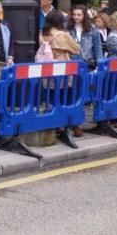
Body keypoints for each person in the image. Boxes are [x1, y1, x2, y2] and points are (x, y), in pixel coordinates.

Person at [38, 11, 82, 139]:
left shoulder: (43, 33)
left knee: (51, 98)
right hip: (62, 71)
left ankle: (55, 125)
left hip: (47, 71)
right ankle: (72, 125)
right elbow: (76, 49)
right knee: (67, 98)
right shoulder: (62, 35)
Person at [67, 4, 102, 69]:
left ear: (84, 15)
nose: (76, 17)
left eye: (79, 15)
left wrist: (100, 64)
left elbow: (98, 48)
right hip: (71, 63)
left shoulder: (93, 29)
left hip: (88, 63)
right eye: (74, 14)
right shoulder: (67, 28)